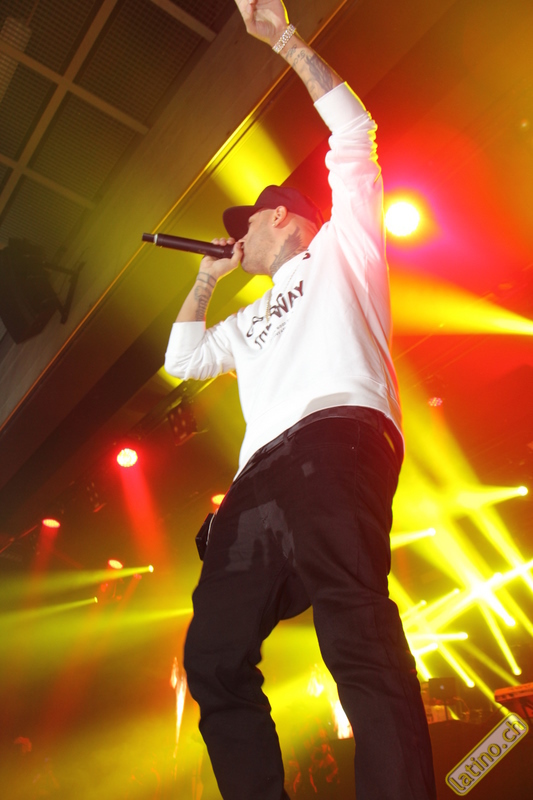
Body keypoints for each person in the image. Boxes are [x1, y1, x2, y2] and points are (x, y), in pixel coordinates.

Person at [164, 1, 437, 798]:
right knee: (213, 656)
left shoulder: (344, 249)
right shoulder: (246, 316)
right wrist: (206, 280)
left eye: (245, 226)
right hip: (256, 478)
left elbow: (354, 134)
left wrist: (283, 40)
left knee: (352, 622)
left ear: (281, 217)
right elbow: (183, 360)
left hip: (335, 439)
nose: (237, 236)